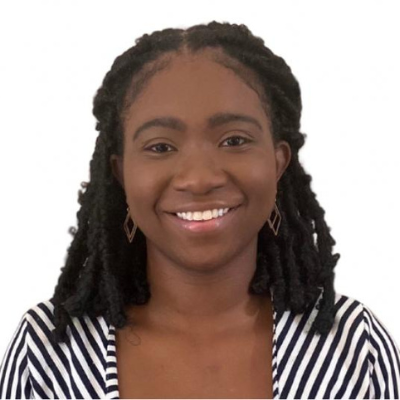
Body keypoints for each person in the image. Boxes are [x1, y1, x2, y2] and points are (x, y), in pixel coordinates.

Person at [0, 21, 399, 399]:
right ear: (120, 173)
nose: (199, 178)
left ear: (278, 163)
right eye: (161, 147)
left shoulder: (353, 348)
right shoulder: (49, 352)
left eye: (234, 140)